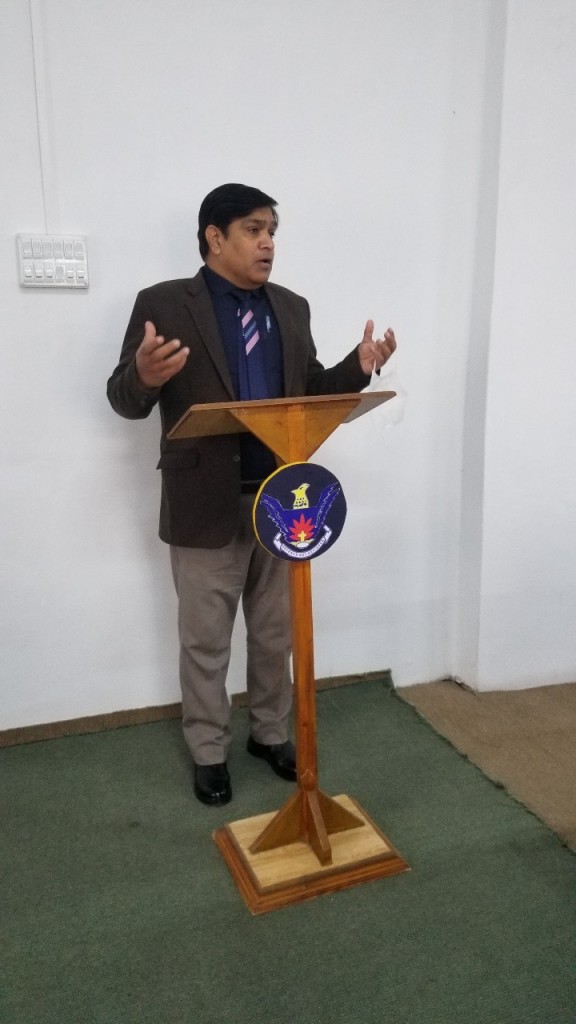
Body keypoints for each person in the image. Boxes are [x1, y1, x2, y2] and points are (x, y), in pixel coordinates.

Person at [107, 183, 396, 807]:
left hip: (282, 500)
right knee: (205, 640)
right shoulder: (163, 304)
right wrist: (143, 376)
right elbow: (124, 399)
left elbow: (309, 391)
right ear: (215, 237)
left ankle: (269, 734)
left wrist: (358, 366)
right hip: (203, 502)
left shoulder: (290, 308)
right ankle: (208, 750)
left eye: (272, 232)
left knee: (274, 633)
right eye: (254, 230)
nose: (268, 243)